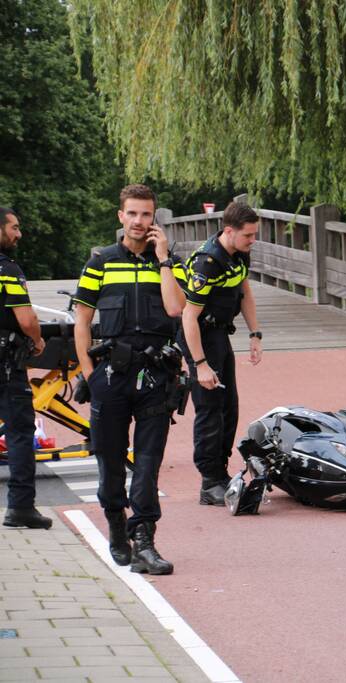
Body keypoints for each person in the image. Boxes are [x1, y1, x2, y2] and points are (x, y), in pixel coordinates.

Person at [73, 184, 184, 574]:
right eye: (133, 214)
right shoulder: (101, 261)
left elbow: (175, 307)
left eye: (147, 215)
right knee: (110, 464)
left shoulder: (169, 261)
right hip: (111, 378)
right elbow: (82, 322)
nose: (139, 222)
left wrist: (165, 259)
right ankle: (117, 525)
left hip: (155, 376)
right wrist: (91, 376)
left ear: (155, 219)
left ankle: (145, 540)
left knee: (149, 463)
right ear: (121, 216)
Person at [180, 201, 262, 506]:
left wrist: (255, 333)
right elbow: (188, 318)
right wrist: (200, 365)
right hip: (199, 336)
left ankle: (220, 471)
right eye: (248, 235)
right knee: (209, 408)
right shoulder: (208, 263)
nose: (253, 240)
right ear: (229, 231)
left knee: (229, 406)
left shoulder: (239, 254)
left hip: (219, 335)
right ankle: (208, 481)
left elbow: (245, 293)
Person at [0, 208, 48, 529]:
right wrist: (38, 340)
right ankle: (20, 507)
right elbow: (26, 318)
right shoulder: (7, 269)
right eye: (14, 228)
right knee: (19, 432)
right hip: (5, 363)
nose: (19, 234)